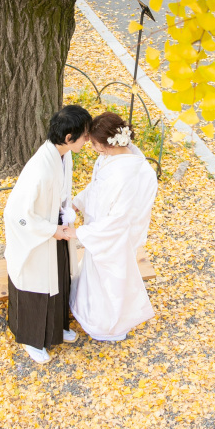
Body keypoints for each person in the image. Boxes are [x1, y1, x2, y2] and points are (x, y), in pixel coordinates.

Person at [4, 104, 91, 364]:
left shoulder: (64, 156)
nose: (87, 140)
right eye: (85, 135)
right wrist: (51, 230)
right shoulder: (39, 169)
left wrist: (65, 214)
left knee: (60, 277)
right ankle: (31, 339)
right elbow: (17, 212)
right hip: (38, 232)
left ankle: (54, 329)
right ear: (68, 138)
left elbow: (63, 192)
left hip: (56, 228)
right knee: (37, 283)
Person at [70, 111, 158, 343]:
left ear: (108, 144)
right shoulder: (110, 158)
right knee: (94, 272)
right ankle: (88, 308)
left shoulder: (129, 173)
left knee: (110, 277)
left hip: (112, 234)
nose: (94, 148)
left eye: (96, 144)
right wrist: (78, 203)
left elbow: (120, 218)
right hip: (99, 227)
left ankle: (108, 323)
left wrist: (82, 232)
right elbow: (97, 187)